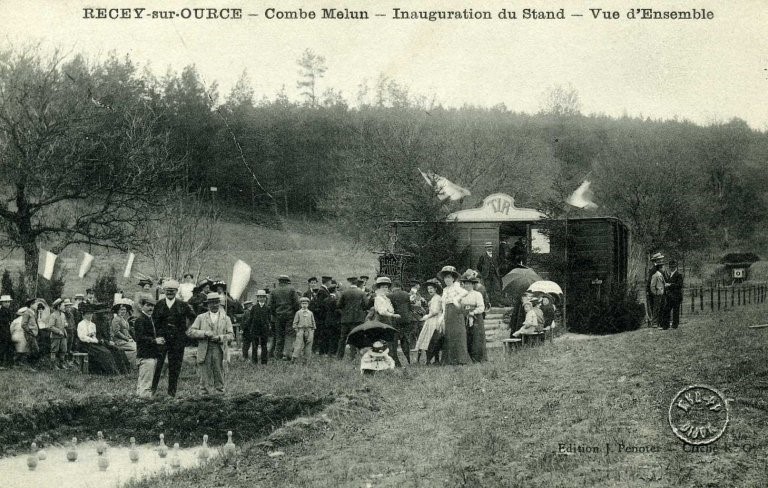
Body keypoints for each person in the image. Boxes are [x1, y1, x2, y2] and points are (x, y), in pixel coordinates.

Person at [151, 279, 196, 397]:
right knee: (157, 365)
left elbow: (193, 317)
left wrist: (187, 329)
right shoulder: (159, 304)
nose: (170, 292)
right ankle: (152, 390)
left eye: (173, 290)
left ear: (176, 291)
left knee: (175, 366)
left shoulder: (183, 304)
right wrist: (157, 334)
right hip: (162, 339)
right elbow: (153, 321)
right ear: (164, 291)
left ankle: (172, 393)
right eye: (168, 290)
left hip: (178, 339)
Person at [187, 293, 234, 395]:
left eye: (216, 302)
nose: (214, 305)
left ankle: (220, 394)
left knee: (219, 372)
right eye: (211, 303)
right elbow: (190, 332)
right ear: (207, 305)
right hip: (205, 349)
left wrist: (220, 337)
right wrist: (204, 333)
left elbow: (231, 335)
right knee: (204, 374)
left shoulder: (226, 318)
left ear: (219, 304)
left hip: (219, 349)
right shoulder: (201, 317)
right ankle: (204, 396)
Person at [438, 266, 471, 366]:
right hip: (448, 313)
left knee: (458, 334)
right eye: (445, 278)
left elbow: (465, 292)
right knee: (449, 335)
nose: (447, 279)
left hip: (456, 312)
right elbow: (443, 304)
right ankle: (450, 359)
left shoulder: (456, 286)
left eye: (449, 277)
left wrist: (456, 299)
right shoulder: (444, 290)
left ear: (453, 278)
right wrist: (442, 316)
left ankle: (461, 359)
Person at [77, 304, 122, 375]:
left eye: (91, 314)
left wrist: (97, 340)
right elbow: (82, 337)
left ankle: (112, 371)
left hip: (93, 344)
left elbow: (94, 336)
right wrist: (95, 340)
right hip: (84, 345)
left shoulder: (92, 325)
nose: (90, 316)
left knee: (107, 351)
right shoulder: (81, 324)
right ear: (84, 315)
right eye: (88, 314)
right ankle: (109, 372)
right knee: (104, 352)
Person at [134, 295, 165, 398]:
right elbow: (140, 338)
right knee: (146, 382)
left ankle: (139, 400)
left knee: (144, 381)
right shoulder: (140, 320)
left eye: (152, 306)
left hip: (151, 355)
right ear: (142, 306)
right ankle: (144, 403)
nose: (151, 308)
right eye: (148, 305)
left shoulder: (150, 319)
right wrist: (154, 341)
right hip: (145, 356)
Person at [371, 277, 402, 366]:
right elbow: (382, 311)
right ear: (378, 288)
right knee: (385, 343)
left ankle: (392, 363)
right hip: (382, 322)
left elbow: (390, 309)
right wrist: (393, 315)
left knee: (391, 343)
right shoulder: (378, 298)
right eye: (383, 287)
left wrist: (392, 314)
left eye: (387, 287)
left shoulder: (386, 298)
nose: (385, 289)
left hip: (388, 322)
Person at [336, 276, 368, 360]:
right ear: (356, 283)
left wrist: (345, 312)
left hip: (346, 319)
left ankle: (339, 357)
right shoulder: (361, 293)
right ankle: (352, 357)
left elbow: (338, 305)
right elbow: (366, 305)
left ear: (349, 283)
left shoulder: (344, 292)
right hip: (357, 320)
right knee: (354, 337)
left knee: (342, 338)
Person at [270, 275, 300, 361]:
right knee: (289, 335)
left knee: (279, 336)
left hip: (278, 316)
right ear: (287, 281)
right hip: (290, 316)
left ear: (279, 281)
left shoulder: (274, 291)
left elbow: (270, 305)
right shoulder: (292, 289)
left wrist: (275, 313)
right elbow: (296, 304)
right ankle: (287, 355)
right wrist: (294, 313)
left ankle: (277, 355)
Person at [460, 272, 487, 363]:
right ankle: (468, 357)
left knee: (476, 337)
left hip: (476, 318)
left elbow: (481, 307)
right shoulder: (461, 295)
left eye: (469, 283)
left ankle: (478, 358)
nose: (467, 285)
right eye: (465, 283)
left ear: (473, 284)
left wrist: (473, 312)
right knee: (466, 337)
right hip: (464, 317)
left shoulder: (477, 294)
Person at [415, 279, 443, 365]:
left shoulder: (437, 298)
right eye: (428, 289)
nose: (429, 290)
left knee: (432, 340)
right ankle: (432, 360)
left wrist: (427, 316)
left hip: (434, 320)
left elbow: (435, 311)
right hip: (431, 320)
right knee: (429, 340)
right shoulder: (434, 298)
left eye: (431, 288)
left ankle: (432, 360)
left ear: (435, 289)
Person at [388, 281, 414, 365]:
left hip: (396, 320)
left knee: (394, 340)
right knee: (405, 339)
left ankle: (396, 360)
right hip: (406, 320)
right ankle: (408, 359)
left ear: (393, 287)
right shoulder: (406, 294)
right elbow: (410, 307)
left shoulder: (390, 295)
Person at [243, 290, 271, 364]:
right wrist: (246, 328)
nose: (262, 299)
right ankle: (254, 361)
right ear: (257, 298)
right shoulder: (254, 308)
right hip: (255, 329)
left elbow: (269, 319)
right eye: (260, 297)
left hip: (264, 330)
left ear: (265, 298)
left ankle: (264, 362)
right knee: (254, 346)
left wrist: (268, 328)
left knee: (264, 346)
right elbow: (251, 319)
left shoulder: (267, 308)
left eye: (263, 297)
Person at [292, 297, 316, 362]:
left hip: (309, 330)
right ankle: (294, 358)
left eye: (306, 303)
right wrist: (296, 330)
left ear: (308, 304)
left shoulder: (310, 313)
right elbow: (295, 323)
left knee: (308, 344)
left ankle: (306, 359)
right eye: (303, 303)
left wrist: (313, 329)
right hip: (300, 330)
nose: (304, 305)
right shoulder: (298, 313)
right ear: (301, 304)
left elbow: (313, 321)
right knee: (298, 344)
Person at [320, 281, 340, 356]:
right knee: (335, 337)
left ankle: (326, 351)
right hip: (335, 321)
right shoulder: (336, 301)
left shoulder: (325, 300)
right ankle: (333, 352)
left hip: (327, 320)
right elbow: (338, 310)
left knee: (328, 336)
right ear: (335, 290)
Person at [47, 299, 69, 369]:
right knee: (54, 351)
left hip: (63, 336)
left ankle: (61, 364)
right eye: (63, 305)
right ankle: (53, 365)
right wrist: (59, 331)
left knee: (63, 350)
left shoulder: (63, 314)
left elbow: (64, 321)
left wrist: (65, 324)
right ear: (58, 306)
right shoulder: (53, 315)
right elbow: (50, 327)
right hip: (55, 336)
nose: (64, 307)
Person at [663, 260, 684, 329]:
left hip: (676, 296)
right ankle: (666, 325)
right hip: (670, 296)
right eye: (670, 267)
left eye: (673, 267)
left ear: (676, 267)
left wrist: (670, 285)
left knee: (675, 311)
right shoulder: (670, 275)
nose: (671, 268)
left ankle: (675, 325)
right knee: (666, 310)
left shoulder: (678, 275)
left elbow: (679, 285)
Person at [19, 299, 41, 365]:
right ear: (31, 305)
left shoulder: (33, 312)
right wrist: (30, 331)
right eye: (35, 304)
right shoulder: (27, 313)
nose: (37, 305)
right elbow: (23, 324)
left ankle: (27, 363)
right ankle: (30, 364)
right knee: (35, 349)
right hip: (30, 334)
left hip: (34, 333)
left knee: (31, 349)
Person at [650, 261, 667, 328]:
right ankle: (654, 323)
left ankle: (660, 322)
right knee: (656, 308)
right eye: (662, 267)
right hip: (658, 295)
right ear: (659, 268)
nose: (663, 268)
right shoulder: (655, 275)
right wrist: (656, 293)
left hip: (662, 294)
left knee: (662, 308)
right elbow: (652, 286)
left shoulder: (661, 275)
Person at [0, 295, 14, 368]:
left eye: (8, 302)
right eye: (6, 302)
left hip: (7, 331)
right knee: (3, 347)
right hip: (3, 331)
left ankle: (9, 364)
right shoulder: (2, 311)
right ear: (2, 303)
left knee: (8, 346)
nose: (8, 303)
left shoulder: (7, 310)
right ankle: (2, 364)